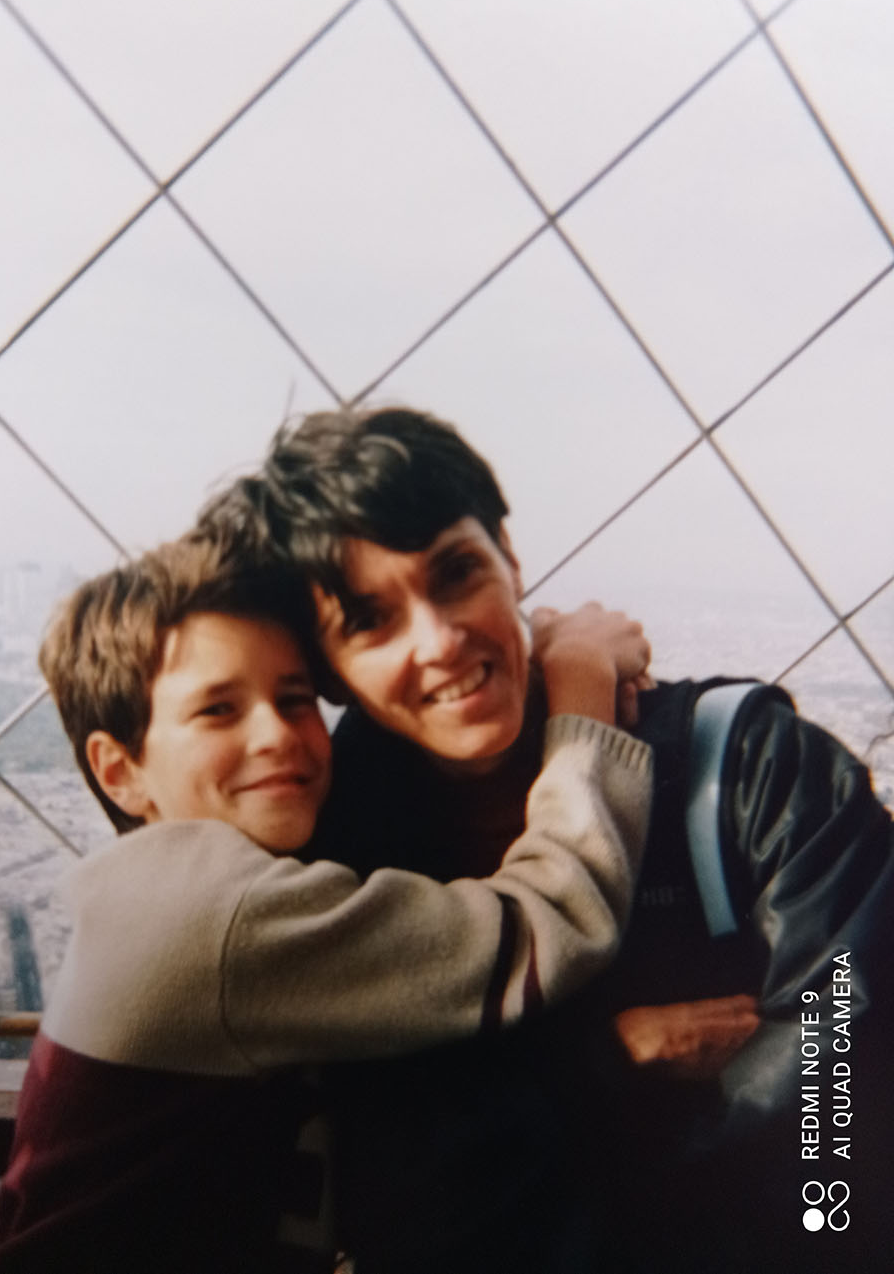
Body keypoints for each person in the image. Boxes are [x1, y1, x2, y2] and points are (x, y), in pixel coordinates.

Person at [195, 405, 894, 1274]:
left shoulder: (753, 772)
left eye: (457, 574)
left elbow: (840, 1112)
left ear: (510, 559)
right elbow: (393, 1184)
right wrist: (605, 1061)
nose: (440, 641)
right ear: (329, 670)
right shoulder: (329, 860)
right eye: (370, 620)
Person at [0, 535, 653, 1273]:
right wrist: (582, 690)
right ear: (120, 771)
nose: (277, 735)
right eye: (218, 710)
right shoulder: (217, 915)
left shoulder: (153, 888)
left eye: (295, 699)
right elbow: (551, 924)